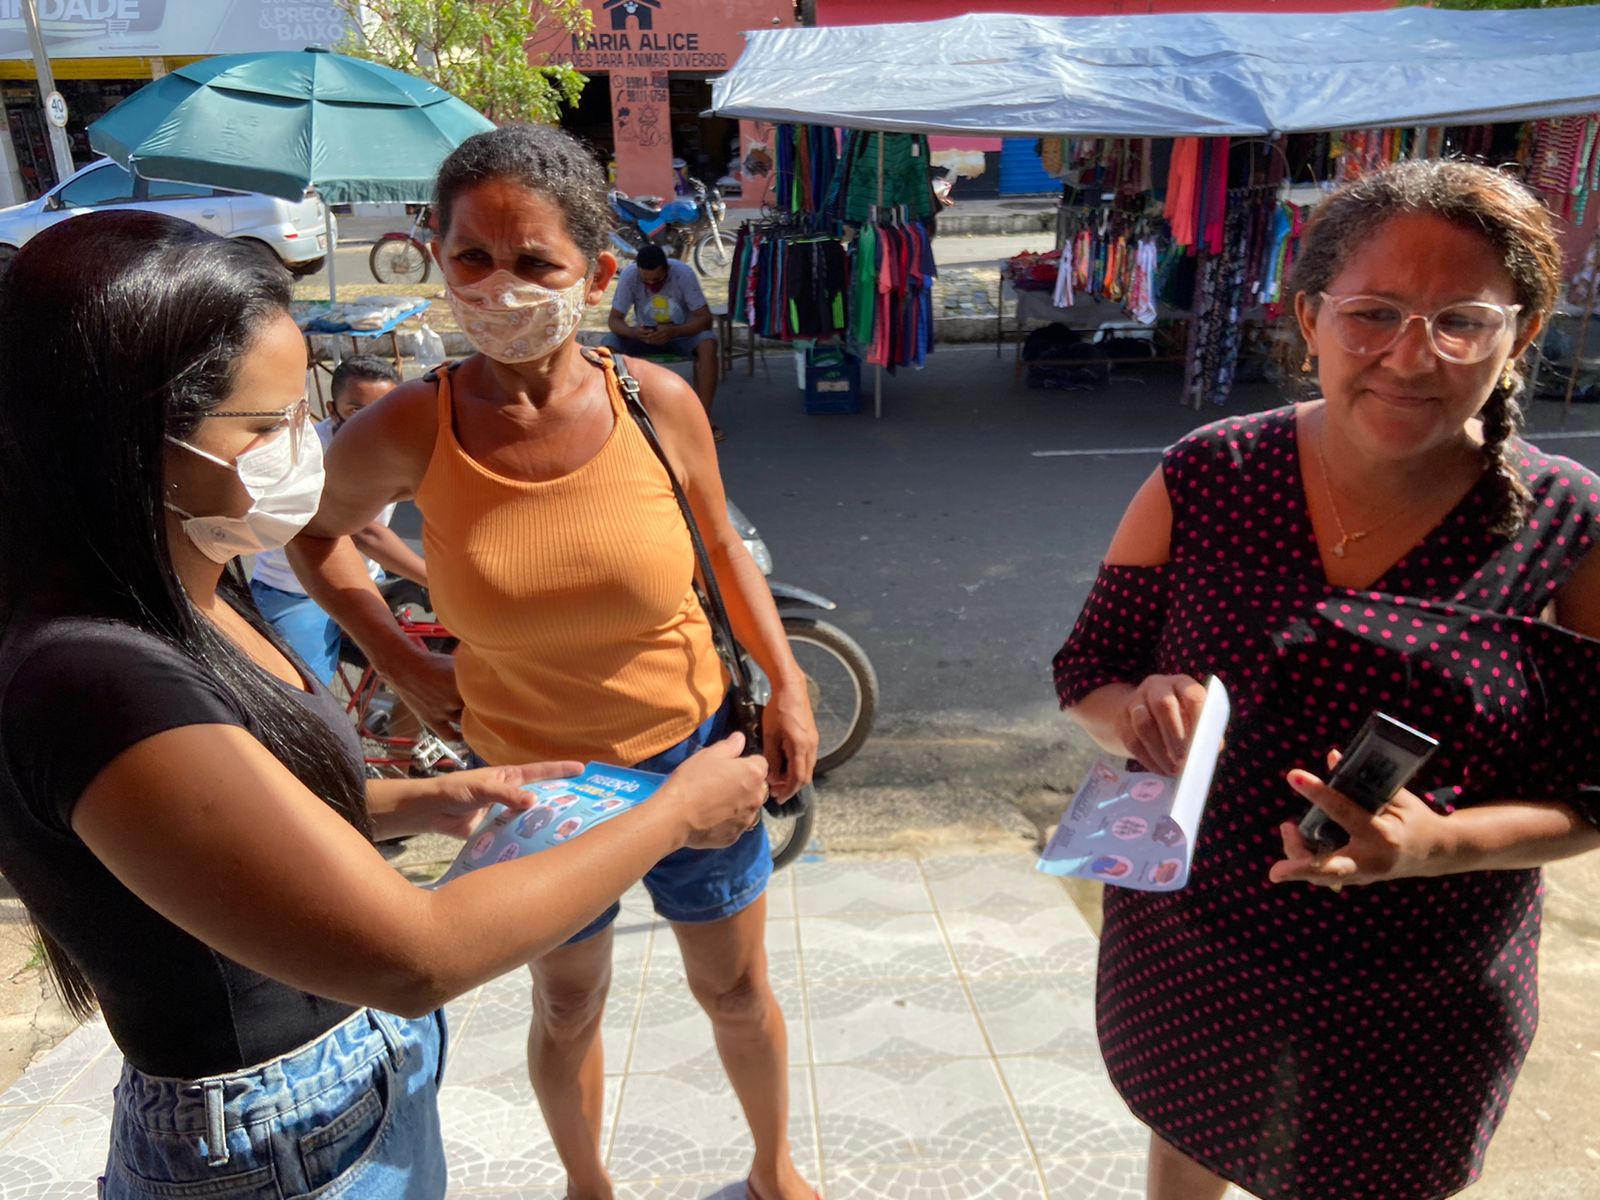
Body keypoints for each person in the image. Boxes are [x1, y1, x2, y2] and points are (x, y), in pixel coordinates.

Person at [0, 210, 768, 1199]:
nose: (308, 445)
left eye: (306, 410)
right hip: (272, 1140)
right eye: (270, 425)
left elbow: (231, 821)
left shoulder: (192, 590)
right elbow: (418, 956)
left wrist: (422, 801)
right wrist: (672, 815)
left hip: (338, 1100)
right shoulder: (94, 676)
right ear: (125, 437)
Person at [287, 125, 820, 1200]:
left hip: (694, 756)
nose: (499, 288)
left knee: (734, 988)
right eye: (471, 259)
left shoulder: (655, 404)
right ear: (437, 259)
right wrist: (399, 660)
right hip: (535, 786)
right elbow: (310, 534)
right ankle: (589, 1187)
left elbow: (721, 548)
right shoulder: (407, 427)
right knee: (568, 1002)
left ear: (599, 272)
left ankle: (773, 1171)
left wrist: (792, 682)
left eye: (535, 263)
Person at [1052, 159, 1600, 1200]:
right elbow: (1088, 668)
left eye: (1461, 321)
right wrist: (1139, 710)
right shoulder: (1205, 474)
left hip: (1419, 992)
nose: (1410, 356)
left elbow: (1592, 798)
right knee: (1188, 1141)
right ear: (1309, 318)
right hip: (1192, 945)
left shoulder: (1567, 526)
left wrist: (1434, 846)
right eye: (1373, 314)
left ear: (1521, 333)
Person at [250, 355, 427, 682]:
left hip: (363, 582)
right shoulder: (310, 451)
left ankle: (408, 730)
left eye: (385, 408)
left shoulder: (395, 442)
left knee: (425, 666)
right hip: (296, 591)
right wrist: (435, 580)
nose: (375, 423)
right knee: (302, 699)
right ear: (332, 409)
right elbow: (364, 534)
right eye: (358, 411)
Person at [604, 243, 724, 441]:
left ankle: (703, 419)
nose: (652, 284)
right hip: (644, 336)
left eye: (658, 279)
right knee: (608, 344)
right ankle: (614, 418)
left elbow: (705, 319)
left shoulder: (683, 274)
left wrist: (675, 331)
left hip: (680, 334)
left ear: (667, 269)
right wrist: (634, 333)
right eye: (646, 281)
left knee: (707, 343)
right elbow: (614, 321)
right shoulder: (629, 276)